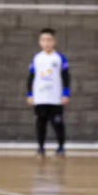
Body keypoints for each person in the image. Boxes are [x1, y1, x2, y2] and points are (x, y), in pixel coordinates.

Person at [26, 28, 70, 157]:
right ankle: (40, 147)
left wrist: (65, 93)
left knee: (58, 123)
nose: (47, 43)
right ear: (40, 42)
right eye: (44, 40)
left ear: (54, 42)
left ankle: (60, 147)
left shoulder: (59, 58)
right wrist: (29, 94)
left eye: (49, 40)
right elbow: (31, 77)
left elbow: (66, 77)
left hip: (55, 98)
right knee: (41, 123)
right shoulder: (36, 58)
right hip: (40, 98)